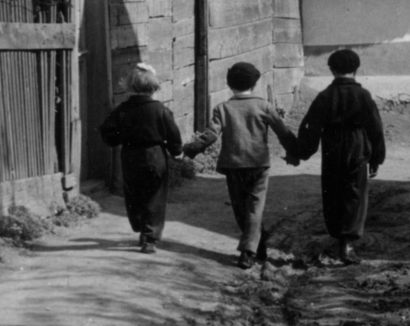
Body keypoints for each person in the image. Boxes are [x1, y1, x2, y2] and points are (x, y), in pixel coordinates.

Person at [183, 61, 301, 269]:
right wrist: (294, 152)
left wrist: (192, 149)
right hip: (258, 165)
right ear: (255, 83)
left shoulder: (223, 108)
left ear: (229, 84)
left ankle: (248, 251)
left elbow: (210, 135)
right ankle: (257, 245)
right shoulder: (264, 105)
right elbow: (282, 131)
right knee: (254, 208)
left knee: (240, 208)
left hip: (233, 165)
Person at [295, 48, 386, 265]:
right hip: (357, 147)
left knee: (333, 191)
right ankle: (348, 243)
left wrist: (302, 151)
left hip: (332, 148)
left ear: (332, 69)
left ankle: (338, 236)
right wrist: (376, 157)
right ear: (356, 69)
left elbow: (310, 126)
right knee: (354, 193)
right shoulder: (363, 96)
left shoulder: (325, 96)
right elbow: (375, 128)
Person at [98, 63, 183, 253]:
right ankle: (149, 238)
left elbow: (107, 131)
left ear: (129, 86)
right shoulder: (161, 110)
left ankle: (139, 226)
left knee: (133, 194)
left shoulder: (122, 110)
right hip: (156, 156)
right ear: (154, 88)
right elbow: (173, 134)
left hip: (130, 155)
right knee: (155, 196)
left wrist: (118, 138)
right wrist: (176, 151)